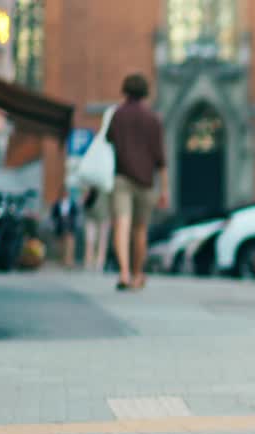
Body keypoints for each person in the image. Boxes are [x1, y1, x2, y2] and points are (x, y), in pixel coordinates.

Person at [106, 73, 169, 291]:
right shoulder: (153, 118)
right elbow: (161, 158)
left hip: (121, 177)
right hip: (145, 181)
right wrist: (165, 189)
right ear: (145, 93)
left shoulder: (117, 115)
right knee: (140, 230)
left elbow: (108, 142)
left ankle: (123, 273)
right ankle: (137, 274)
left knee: (122, 225)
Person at [82, 186, 112, 272]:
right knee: (97, 240)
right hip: (96, 214)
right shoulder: (105, 182)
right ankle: (95, 263)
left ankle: (94, 263)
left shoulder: (92, 180)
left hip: (101, 214)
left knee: (95, 240)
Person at [51, 192, 80, 268]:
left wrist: (68, 218)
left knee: (70, 244)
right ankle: (61, 260)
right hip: (60, 226)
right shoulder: (57, 204)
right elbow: (54, 215)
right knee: (60, 244)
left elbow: (75, 214)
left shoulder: (72, 204)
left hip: (70, 226)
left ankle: (69, 260)